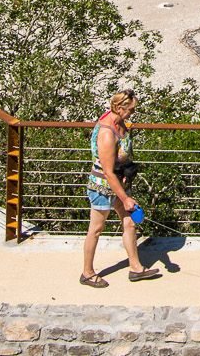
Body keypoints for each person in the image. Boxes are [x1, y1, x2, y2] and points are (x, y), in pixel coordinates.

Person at [80, 90, 157, 288]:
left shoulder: (118, 121)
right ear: (119, 107)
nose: (133, 112)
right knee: (96, 229)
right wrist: (125, 198)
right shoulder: (107, 133)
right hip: (103, 187)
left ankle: (136, 268)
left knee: (130, 222)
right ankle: (87, 273)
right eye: (130, 109)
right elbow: (107, 172)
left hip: (119, 184)